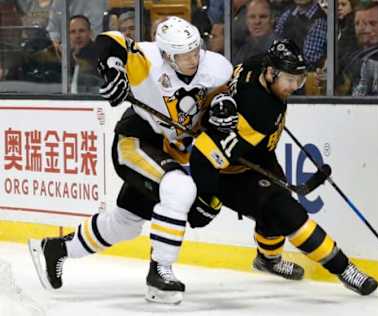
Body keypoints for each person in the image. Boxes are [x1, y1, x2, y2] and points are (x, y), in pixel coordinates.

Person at [28, 16, 233, 305]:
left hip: (170, 149)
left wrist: (224, 105)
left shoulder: (216, 66)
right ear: (165, 54)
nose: (192, 59)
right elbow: (109, 41)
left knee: (125, 223)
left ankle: (56, 249)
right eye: (183, 54)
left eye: (195, 50)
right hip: (135, 141)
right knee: (179, 187)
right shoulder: (147, 59)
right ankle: (160, 275)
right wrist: (113, 72)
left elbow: (224, 95)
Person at [187, 39, 378, 296]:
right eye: (289, 80)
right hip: (230, 174)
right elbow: (203, 155)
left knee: (275, 209)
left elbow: (229, 89)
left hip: (258, 154)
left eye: (299, 80)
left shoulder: (257, 64)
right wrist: (207, 197)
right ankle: (344, 270)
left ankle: (267, 260)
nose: (294, 87)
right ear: (271, 73)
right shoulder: (259, 112)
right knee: (287, 213)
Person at [233, 0, 279, 65]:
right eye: (252, 17)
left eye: (263, 17)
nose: (257, 21)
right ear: (246, 20)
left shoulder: (280, 48)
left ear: (272, 19)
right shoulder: (243, 50)